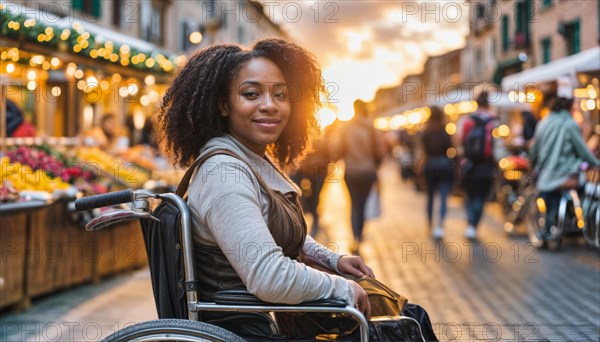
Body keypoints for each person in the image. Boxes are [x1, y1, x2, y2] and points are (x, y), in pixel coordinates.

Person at [157, 39, 437, 341]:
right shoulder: (224, 175)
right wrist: (342, 287)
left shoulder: (248, 157)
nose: (270, 104)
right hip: (258, 327)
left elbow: (279, 235)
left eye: (281, 94)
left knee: (408, 316)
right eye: (251, 94)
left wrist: (333, 261)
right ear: (223, 104)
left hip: (276, 316)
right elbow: (268, 275)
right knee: (409, 322)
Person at [528, 94, 600, 241]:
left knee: (549, 198)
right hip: (567, 174)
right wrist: (596, 164)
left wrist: (534, 164)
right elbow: (583, 150)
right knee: (583, 192)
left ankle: (549, 226)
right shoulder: (570, 124)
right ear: (569, 108)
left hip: (546, 175)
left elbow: (534, 150)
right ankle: (578, 222)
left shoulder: (543, 123)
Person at [334, 100, 386, 255]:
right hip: (368, 171)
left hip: (351, 171)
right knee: (362, 204)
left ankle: (356, 237)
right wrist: (375, 164)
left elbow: (337, 149)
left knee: (354, 204)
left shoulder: (346, 128)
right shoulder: (372, 128)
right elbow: (380, 151)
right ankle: (359, 235)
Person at [458, 91, 501, 240]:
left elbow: (460, 141)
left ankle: (470, 224)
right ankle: (474, 225)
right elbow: (498, 145)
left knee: (470, 194)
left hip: (469, 164)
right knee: (481, 196)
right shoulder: (493, 121)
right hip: (486, 164)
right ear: (488, 103)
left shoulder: (467, 120)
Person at [420, 106, 456, 240]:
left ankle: (429, 224)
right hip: (445, 164)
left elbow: (423, 153)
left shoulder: (425, 132)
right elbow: (453, 147)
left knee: (429, 198)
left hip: (430, 165)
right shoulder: (445, 131)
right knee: (443, 198)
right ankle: (439, 226)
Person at [291, 128, 332, 238]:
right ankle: (313, 215)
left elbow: (329, 155)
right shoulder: (306, 138)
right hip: (309, 171)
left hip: (318, 171)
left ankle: (314, 216)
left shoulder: (323, 140)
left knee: (315, 196)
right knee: (309, 195)